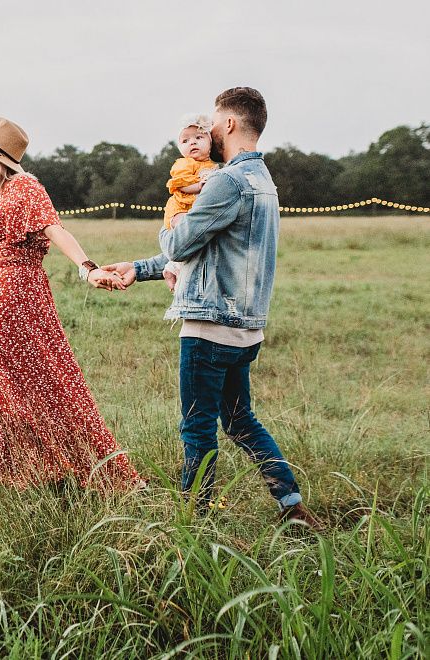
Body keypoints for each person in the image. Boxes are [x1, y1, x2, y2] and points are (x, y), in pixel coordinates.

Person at [102, 88, 323, 530]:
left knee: (197, 427)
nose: (208, 131)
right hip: (245, 328)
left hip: (210, 327)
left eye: (213, 123)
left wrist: (170, 220)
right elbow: (208, 248)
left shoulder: (226, 181)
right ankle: (292, 505)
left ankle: (193, 521)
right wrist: (139, 269)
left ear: (230, 124)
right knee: (240, 421)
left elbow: (180, 244)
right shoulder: (263, 181)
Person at [0, 117, 144, 491]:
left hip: (16, 298)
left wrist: (87, 268)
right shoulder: (3, 195)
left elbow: (55, 228)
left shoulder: (25, 187)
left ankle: (76, 468)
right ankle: (2, 472)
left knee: (47, 382)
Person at [162, 113, 219, 289]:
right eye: (185, 141)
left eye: (198, 138)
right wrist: (198, 186)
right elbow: (180, 184)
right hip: (180, 208)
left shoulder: (212, 166)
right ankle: (178, 270)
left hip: (193, 210)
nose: (192, 143)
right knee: (186, 234)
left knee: (196, 238)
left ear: (210, 142)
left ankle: (170, 267)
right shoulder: (185, 163)